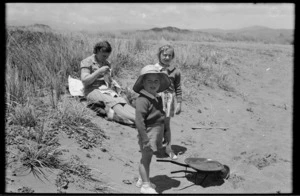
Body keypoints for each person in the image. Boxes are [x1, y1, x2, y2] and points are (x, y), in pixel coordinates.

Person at [133, 64, 171, 194]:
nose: (153, 84)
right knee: (146, 158)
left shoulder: (156, 97)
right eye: (149, 81)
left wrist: (164, 132)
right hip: (148, 133)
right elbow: (139, 121)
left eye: (156, 81)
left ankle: (141, 179)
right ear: (143, 82)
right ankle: (145, 186)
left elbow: (160, 116)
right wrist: (145, 139)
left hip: (156, 132)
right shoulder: (143, 100)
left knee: (147, 157)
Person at [80, 40, 135, 125]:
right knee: (113, 103)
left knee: (121, 100)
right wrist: (98, 71)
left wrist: (111, 82)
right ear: (97, 51)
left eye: (107, 56)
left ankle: (142, 117)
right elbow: (85, 81)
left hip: (105, 89)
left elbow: (108, 79)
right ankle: (137, 120)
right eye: (103, 56)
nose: (105, 58)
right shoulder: (87, 62)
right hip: (92, 89)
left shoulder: (106, 63)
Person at [154, 45, 182, 160]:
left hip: (169, 100)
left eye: (169, 55)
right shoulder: (153, 69)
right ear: (159, 55)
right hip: (155, 99)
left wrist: (179, 103)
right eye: (164, 55)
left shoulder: (175, 71)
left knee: (166, 124)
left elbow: (178, 88)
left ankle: (168, 148)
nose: (166, 57)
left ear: (172, 57)